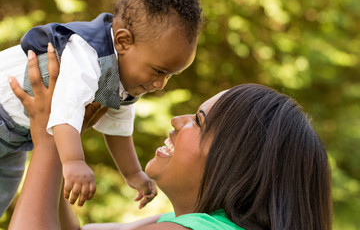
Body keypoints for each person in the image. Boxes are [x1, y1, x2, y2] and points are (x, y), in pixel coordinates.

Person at [8, 48, 332, 230]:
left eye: (199, 121)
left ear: (238, 159)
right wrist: (66, 149)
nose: (178, 121)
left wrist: (48, 137)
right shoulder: (177, 222)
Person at [0, 0, 203, 216]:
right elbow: (66, 110)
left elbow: (119, 128)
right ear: (123, 41)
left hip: (17, 139)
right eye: (158, 71)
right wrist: (74, 161)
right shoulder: (87, 53)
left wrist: (133, 173)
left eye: (170, 76)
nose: (161, 84)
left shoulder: (126, 80)